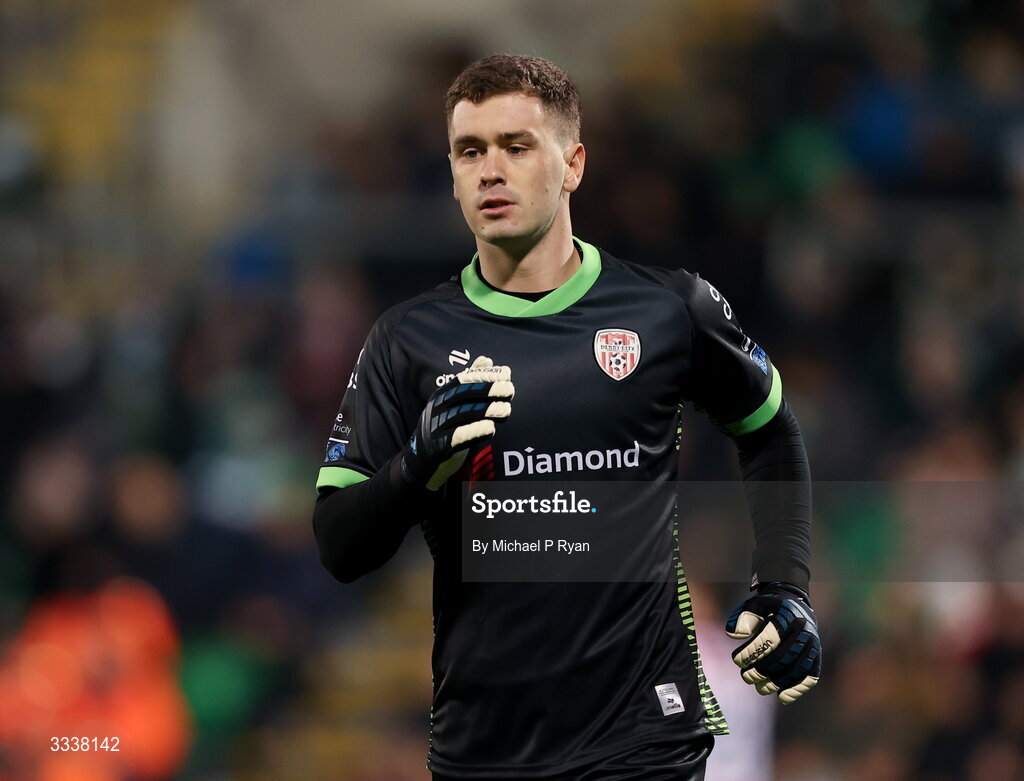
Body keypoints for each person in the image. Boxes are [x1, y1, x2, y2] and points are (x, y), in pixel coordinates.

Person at [313, 54, 820, 781]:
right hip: (484, 747)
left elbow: (770, 430)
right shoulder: (405, 339)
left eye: (516, 146)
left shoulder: (668, 309)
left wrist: (784, 585)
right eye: (470, 151)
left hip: (645, 736)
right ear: (453, 175)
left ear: (573, 163)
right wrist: (416, 467)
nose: (491, 170)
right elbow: (339, 543)